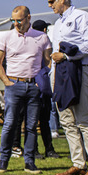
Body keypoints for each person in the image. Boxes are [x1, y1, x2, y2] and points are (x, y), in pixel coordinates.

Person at [47, 0, 88, 175]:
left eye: (51, 2)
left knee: (83, 117)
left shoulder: (82, 17)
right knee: (66, 119)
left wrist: (66, 56)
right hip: (60, 73)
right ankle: (78, 162)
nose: (50, 6)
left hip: (79, 70)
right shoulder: (57, 24)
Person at [0, 5, 51, 175]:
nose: (16, 23)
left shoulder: (42, 37)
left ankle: (29, 162)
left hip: (33, 86)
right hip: (13, 85)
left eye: (19, 20)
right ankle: (3, 160)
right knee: (9, 124)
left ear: (28, 18)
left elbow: (47, 61)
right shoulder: (5, 37)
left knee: (32, 126)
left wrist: (42, 80)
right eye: (13, 20)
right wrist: (6, 81)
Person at [31, 20, 60, 159]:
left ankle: (45, 149)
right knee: (39, 122)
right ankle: (39, 150)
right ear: (43, 30)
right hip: (38, 89)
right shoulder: (38, 46)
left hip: (43, 90)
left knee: (39, 122)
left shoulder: (39, 45)